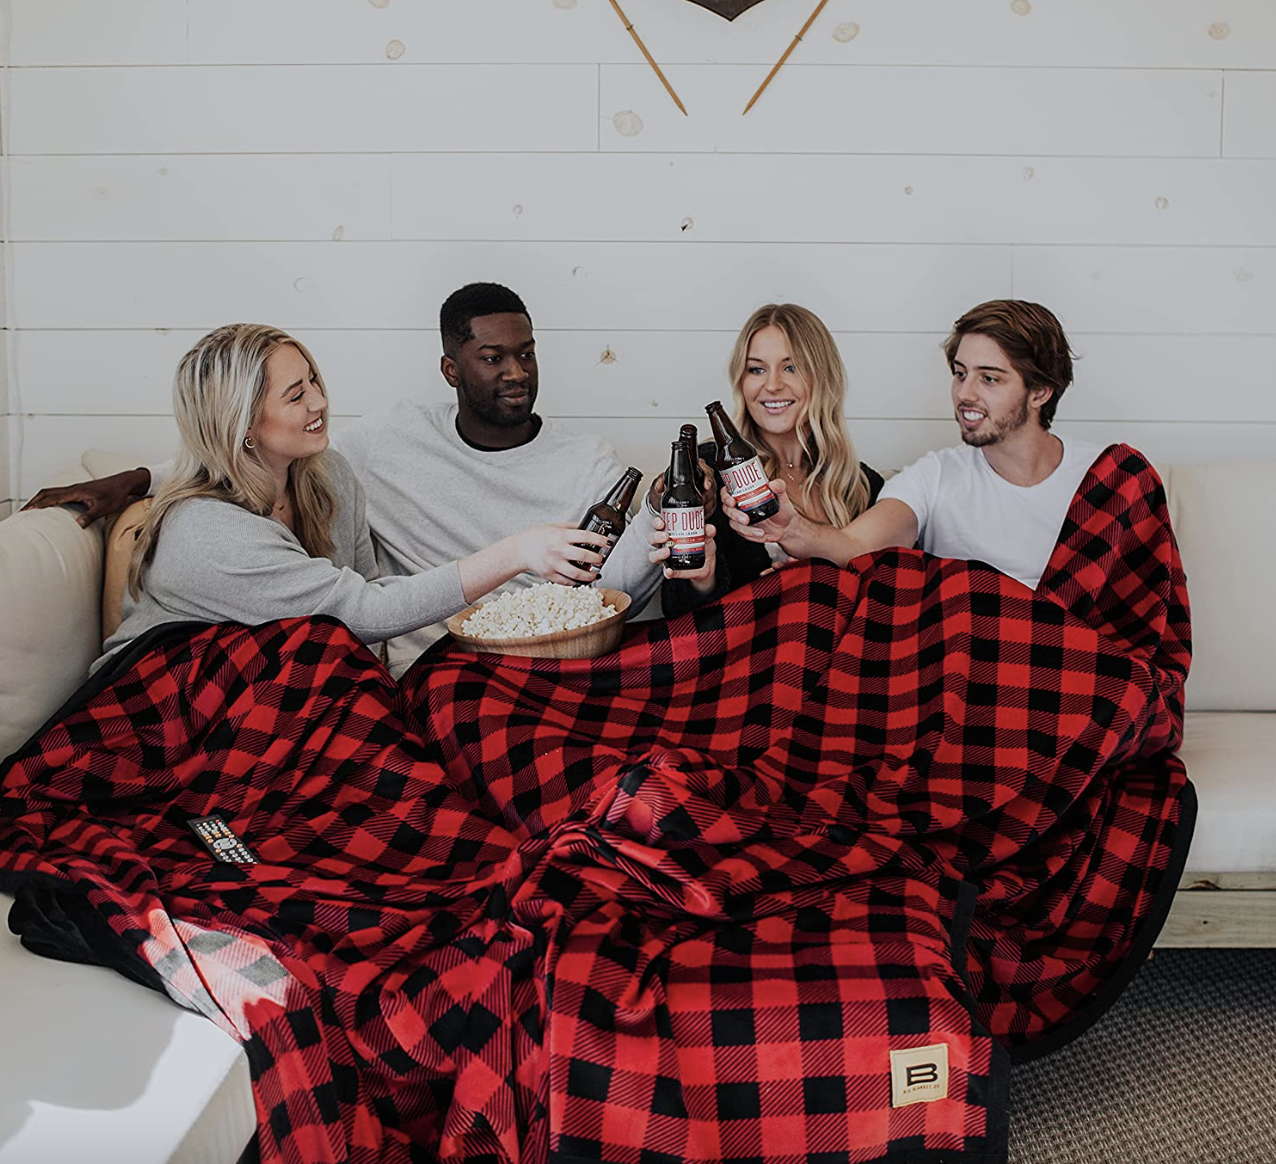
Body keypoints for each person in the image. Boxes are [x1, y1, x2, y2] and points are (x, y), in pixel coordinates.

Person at [30, 284, 662, 674]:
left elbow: (360, 593)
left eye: (316, 382)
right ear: (242, 423)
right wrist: (518, 552)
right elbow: (361, 610)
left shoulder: (324, 469)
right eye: (296, 394)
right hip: (176, 698)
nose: (321, 404)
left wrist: (663, 513)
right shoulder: (205, 533)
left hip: (307, 680)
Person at [723, 299, 1102, 591]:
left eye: (989, 379)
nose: (964, 394)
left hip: (1081, 661)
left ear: (1040, 392)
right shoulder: (930, 478)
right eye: (959, 374)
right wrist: (793, 530)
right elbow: (856, 545)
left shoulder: (1108, 477)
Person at [648, 303, 884, 618]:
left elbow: (885, 594)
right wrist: (704, 577)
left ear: (822, 377)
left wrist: (810, 584)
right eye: (756, 369)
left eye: (791, 367)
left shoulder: (862, 484)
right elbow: (678, 614)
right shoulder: (709, 473)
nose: (772, 385)